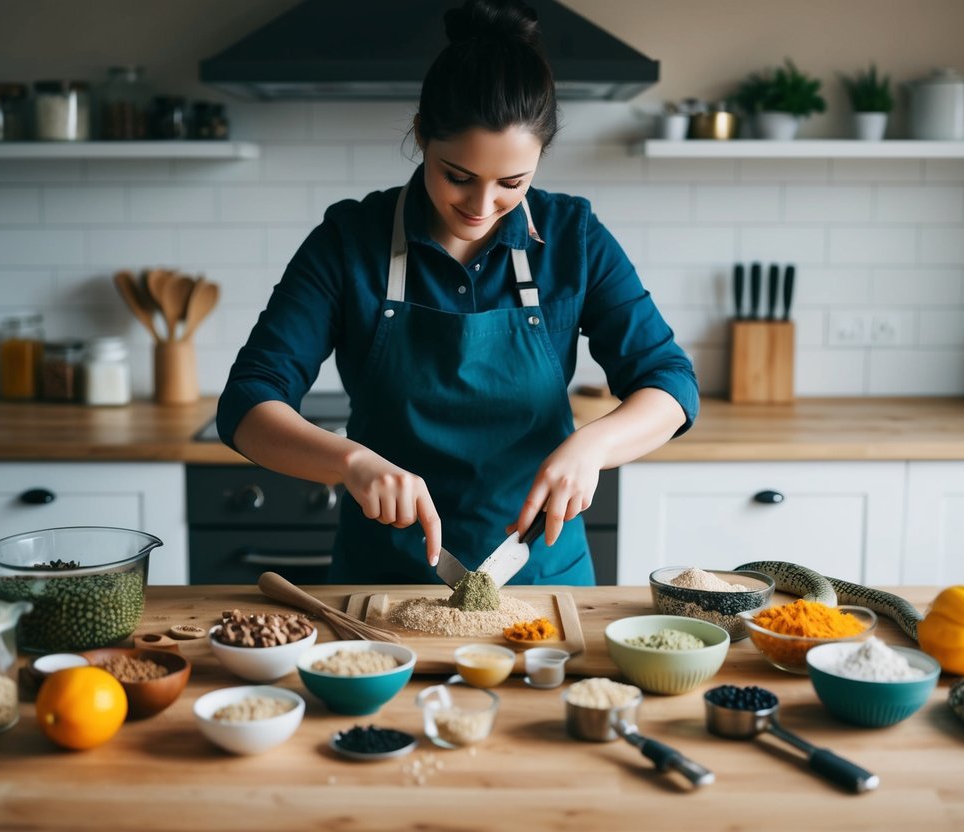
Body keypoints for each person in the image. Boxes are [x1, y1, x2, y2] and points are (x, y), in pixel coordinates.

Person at [217, 0, 698, 585]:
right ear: (422, 135)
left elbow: (669, 382)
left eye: (512, 183)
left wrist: (593, 447)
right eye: (458, 176)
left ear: (540, 159)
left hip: (541, 575)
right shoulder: (350, 240)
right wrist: (351, 462)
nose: (480, 205)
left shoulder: (574, 237)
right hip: (384, 582)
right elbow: (247, 401)